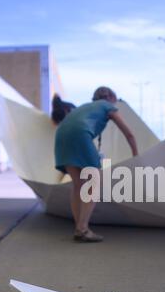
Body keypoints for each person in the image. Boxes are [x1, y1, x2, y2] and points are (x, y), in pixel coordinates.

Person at [55, 86, 138, 243]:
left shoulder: (85, 107)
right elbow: (129, 133)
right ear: (111, 98)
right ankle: (83, 228)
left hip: (61, 136)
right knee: (94, 182)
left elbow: (76, 126)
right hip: (79, 135)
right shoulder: (107, 106)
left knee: (78, 185)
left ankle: (79, 227)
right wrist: (136, 156)